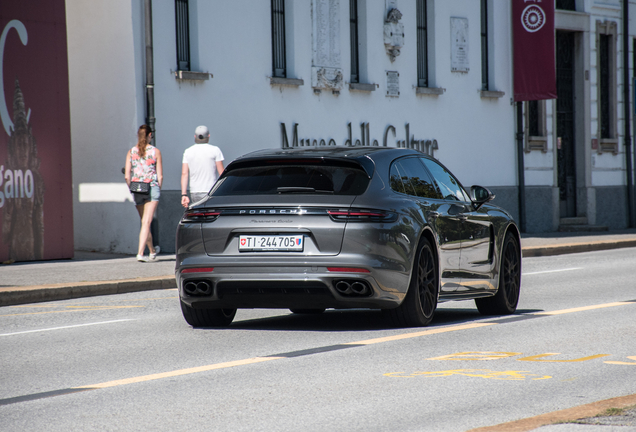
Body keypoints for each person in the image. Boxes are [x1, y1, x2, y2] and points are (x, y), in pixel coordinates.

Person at [125, 124, 163, 262]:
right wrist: (158, 188)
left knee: (144, 222)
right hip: (151, 186)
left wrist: (132, 187)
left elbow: (127, 176)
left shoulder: (131, 152)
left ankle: (152, 250)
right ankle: (140, 253)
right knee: (146, 222)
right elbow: (160, 176)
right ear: (150, 135)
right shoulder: (155, 151)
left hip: (137, 188)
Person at [181, 125, 224, 208]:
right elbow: (221, 173)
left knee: (199, 213)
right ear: (209, 136)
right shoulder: (215, 150)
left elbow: (184, 173)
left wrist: (184, 194)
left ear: (195, 136)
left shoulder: (188, 151)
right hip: (211, 189)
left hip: (195, 190)